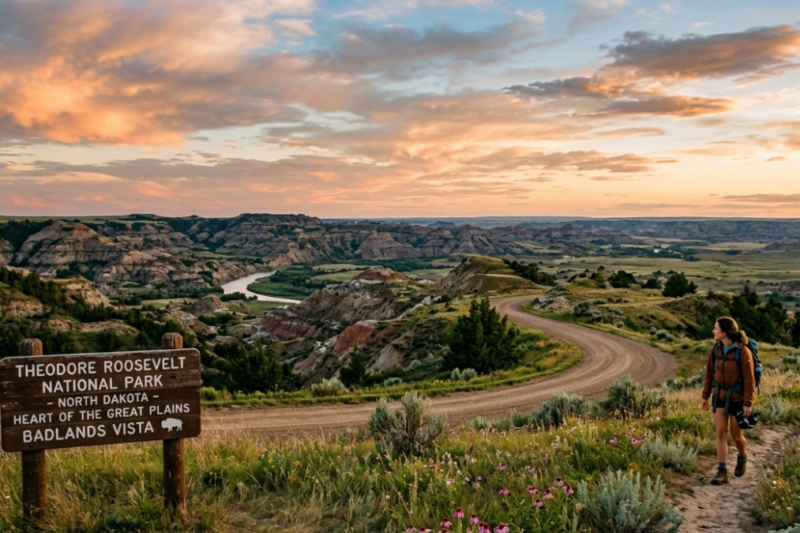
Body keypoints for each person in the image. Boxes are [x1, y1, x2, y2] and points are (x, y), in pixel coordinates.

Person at [701, 317, 756, 485]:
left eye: (716, 328)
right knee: (720, 432)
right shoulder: (715, 349)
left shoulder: (743, 351)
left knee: (736, 436)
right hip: (719, 396)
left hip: (738, 399)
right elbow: (709, 373)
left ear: (724, 331)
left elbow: (749, 379)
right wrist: (705, 395)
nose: (713, 331)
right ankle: (722, 471)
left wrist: (747, 402)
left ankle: (742, 456)